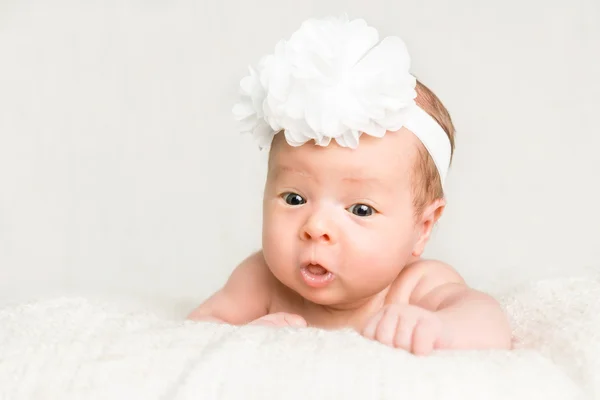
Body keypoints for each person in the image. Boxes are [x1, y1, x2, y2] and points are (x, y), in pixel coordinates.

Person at [188, 16, 512, 355]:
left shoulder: (417, 286)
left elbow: (489, 324)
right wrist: (244, 337)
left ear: (423, 226)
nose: (316, 227)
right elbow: (196, 330)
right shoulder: (261, 279)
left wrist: (439, 329)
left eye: (361, 209)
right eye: (295, 198)